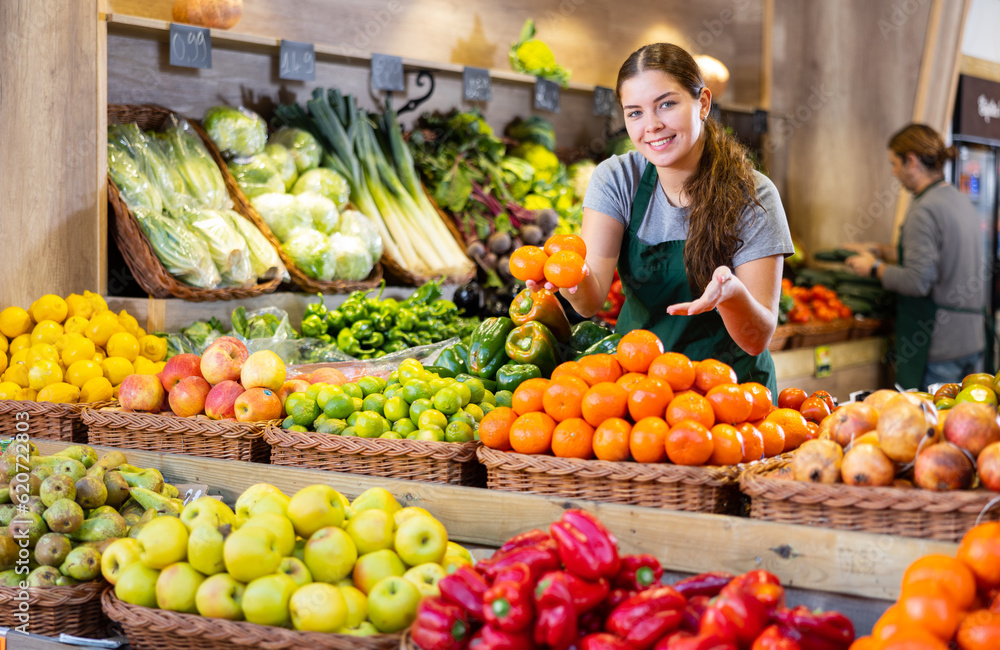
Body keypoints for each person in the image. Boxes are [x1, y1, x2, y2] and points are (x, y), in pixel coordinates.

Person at [535, 43, 794, 396]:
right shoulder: (617, 179)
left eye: (666, 104)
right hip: (640, 393)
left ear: (702, 103)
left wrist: (731, 295)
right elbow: (590, 300)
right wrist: (568, 277)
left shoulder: (754, 194)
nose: (652, 126)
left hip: (729, 397)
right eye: (635, 113)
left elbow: (757, 338)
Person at [845, 124, 985, 391]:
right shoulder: (959, 199)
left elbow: (918, 281)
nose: (893, 172)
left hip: (938, 346)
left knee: (928, 427)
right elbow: (943, 257)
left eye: (894, 164)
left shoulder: (924, 209)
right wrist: (884, 250)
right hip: (971, 341)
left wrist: (874, 268)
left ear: (911, 161)